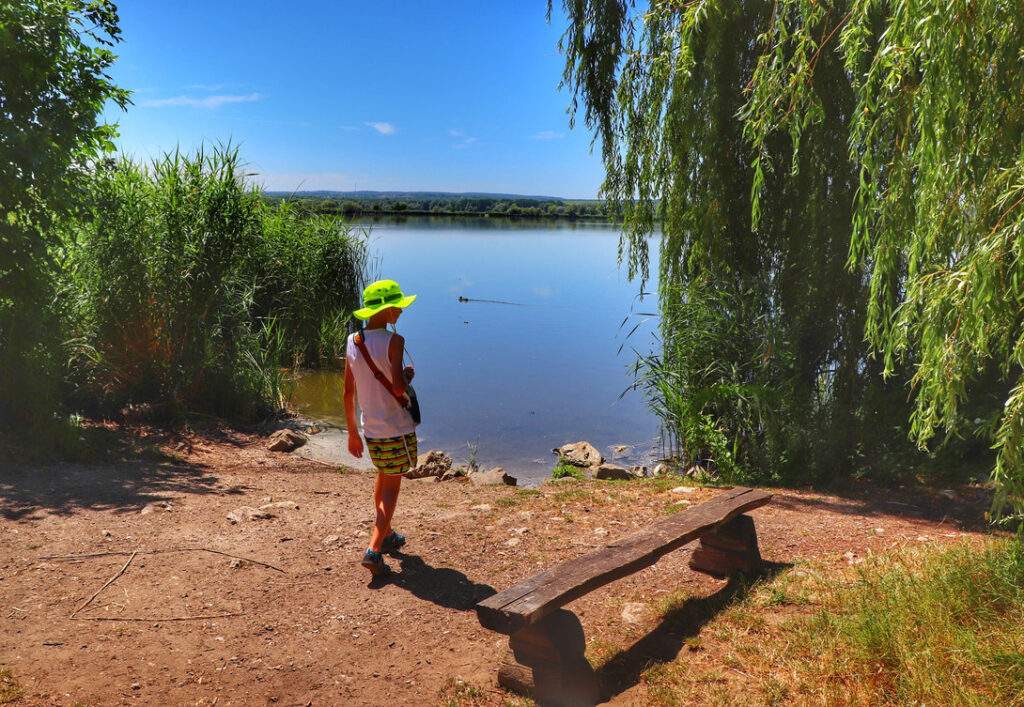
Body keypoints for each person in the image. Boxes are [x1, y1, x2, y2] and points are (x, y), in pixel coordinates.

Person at [343, 279, 419, 576]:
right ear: (386, 310)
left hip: (371, 429)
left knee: (383, 475)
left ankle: (387, 536)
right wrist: (407, 377)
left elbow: (348, 392)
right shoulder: (394, 341)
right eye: (397, 306)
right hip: (395, 428)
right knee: (392, 486)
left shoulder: (353, 341)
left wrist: (352, 433)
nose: (401, 310)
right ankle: (373, 549)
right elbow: (398, 388)